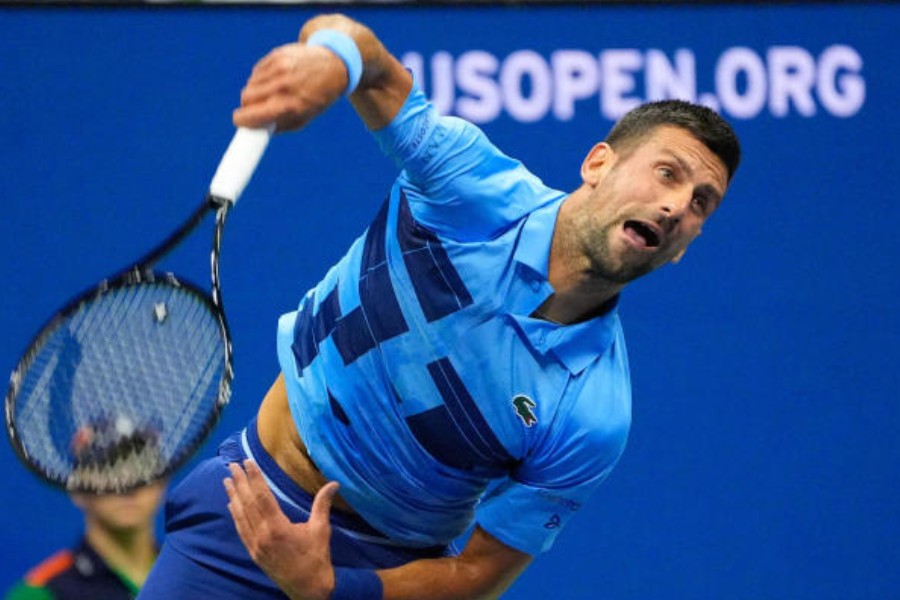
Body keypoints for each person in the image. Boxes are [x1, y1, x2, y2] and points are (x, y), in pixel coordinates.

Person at [138, 12, 741, 600]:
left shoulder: (594, 412)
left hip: (385, 571)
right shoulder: (470, 187)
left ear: (685, 247)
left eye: (700, 204)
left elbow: (478, 574)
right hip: (249, 508)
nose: (676, 206)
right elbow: (366, 57)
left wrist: (330, 587)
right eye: (667, 173)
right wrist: (333, 61)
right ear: (597, 163)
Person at [5, 481, 165, 600]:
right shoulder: (37, 594)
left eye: (144, 465)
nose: (128, 487)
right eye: (108, 467)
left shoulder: (188, 572)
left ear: (162, 480)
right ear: (77, 487)